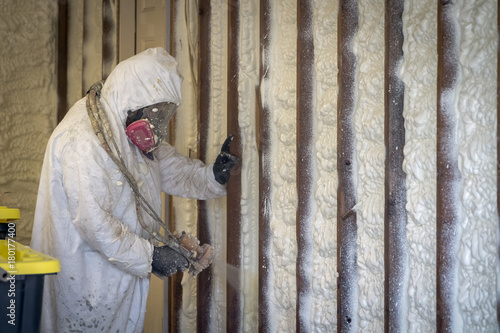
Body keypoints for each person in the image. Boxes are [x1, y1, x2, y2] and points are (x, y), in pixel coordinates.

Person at [30, 47, 238, 333]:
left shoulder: (124, 124)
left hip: (118, 278)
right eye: (156, 114)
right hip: (84, 279)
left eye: (165, 115)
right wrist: (151, 257)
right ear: (135, 97)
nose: (158, 127)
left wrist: (212, 177)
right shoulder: (84, 139)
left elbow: (169, 168)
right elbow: (94, 222)